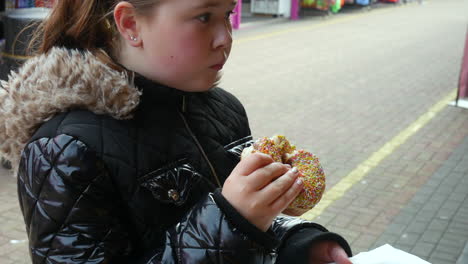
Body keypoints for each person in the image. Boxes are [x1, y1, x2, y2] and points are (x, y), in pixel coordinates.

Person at [0, 0, 353, 263]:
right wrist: (231, 221)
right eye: (204, 17)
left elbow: (248, 221)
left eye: (227, 14)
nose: (225, 38)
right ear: (130, 24)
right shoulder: (62, 149)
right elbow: (232, 218)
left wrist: (298, 243)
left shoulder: (224, 108)